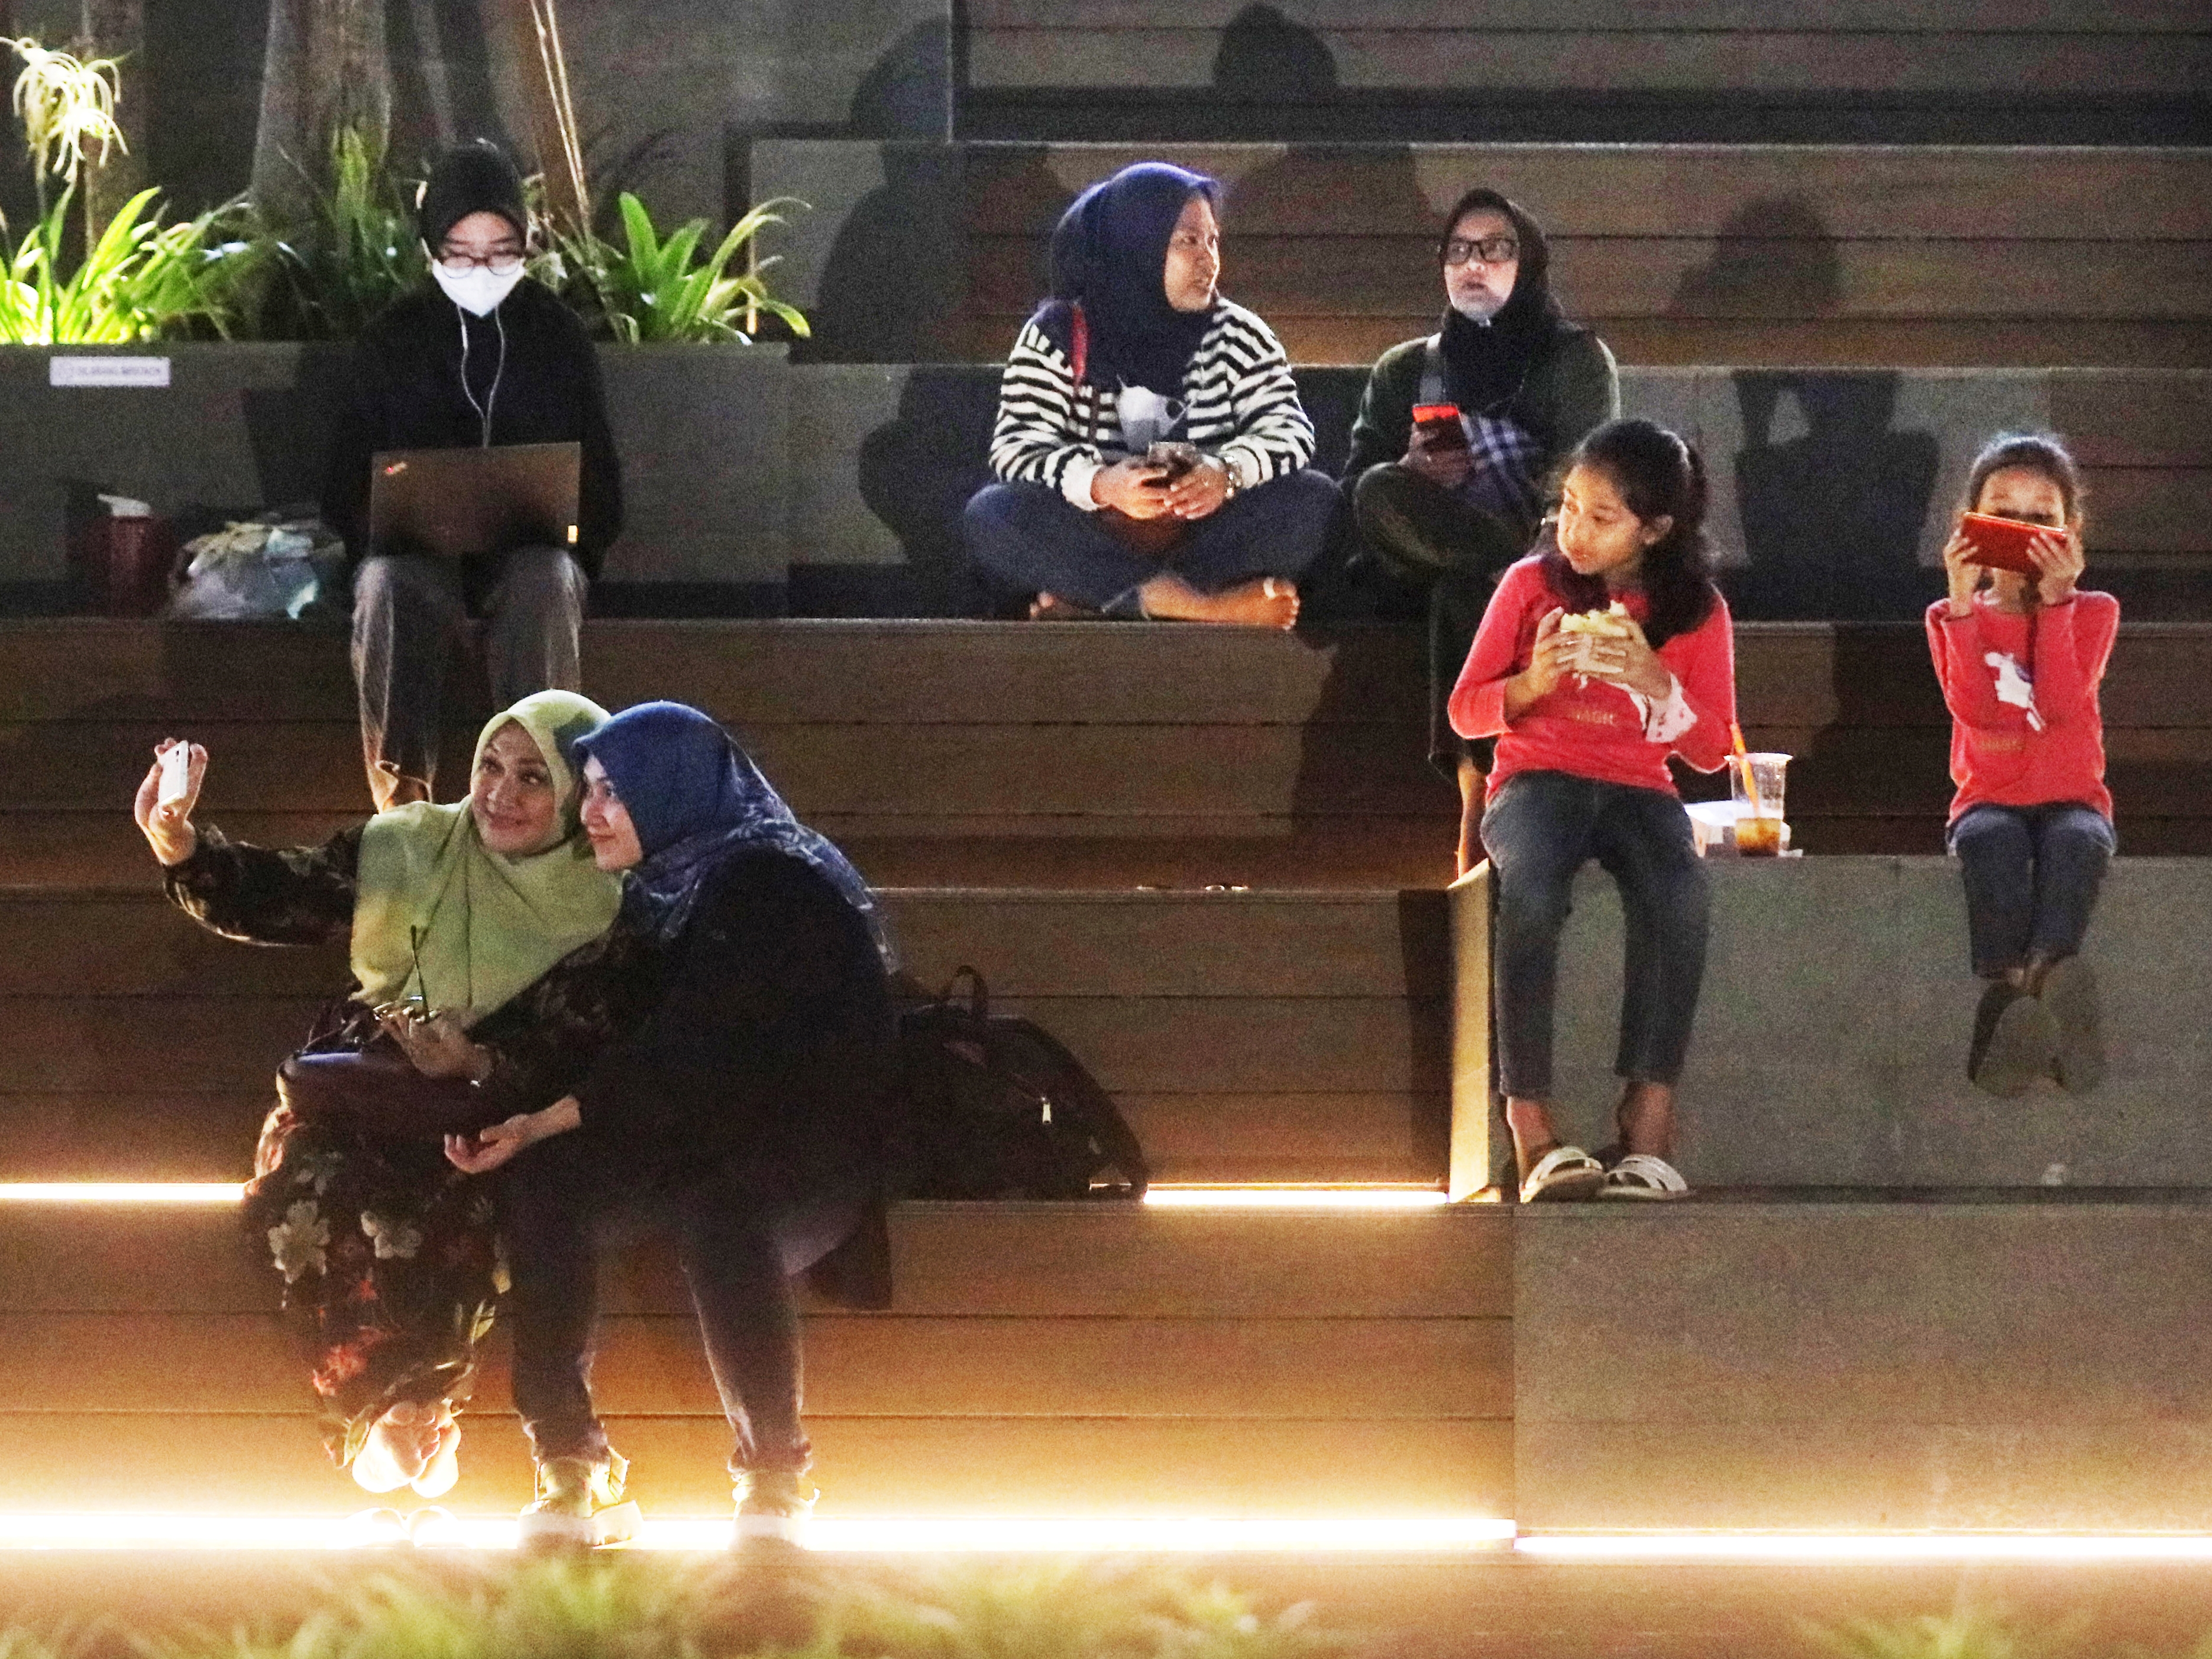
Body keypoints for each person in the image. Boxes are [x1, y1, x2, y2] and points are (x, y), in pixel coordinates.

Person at [134, 691, 636, 1496]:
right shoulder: (410, 843)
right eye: (490, 768)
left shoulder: (602, 900)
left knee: (448, 1209)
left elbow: (586, 1046)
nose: (501, 795)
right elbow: (284, 892)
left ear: (580, 794)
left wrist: (475, 1060)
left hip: (489, 1114)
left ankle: (402, 1419)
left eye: (535, 777)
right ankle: (401, 1416)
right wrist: (179, 839)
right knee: (299, 1194)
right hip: (356, 1093)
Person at [442, 702, 899, 1549]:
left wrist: (543, 1119)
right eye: (592, 790)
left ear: (674, 789)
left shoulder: (769, 880)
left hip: (807, 1151)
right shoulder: (667, 887)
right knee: (550, 1188)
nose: (591, 812)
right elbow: (633, 1053)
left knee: (726, 1215)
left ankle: (775, 1473)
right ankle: (571, 1462)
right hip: (689, 1136)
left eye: (614, 792)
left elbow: (694, 1053)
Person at [1447, 419, 1734, 1203]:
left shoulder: (1695, 609)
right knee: (1532, 890)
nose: (1575, 530)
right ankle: (1530, 1123)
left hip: (1640, 786)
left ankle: (1649, 1118)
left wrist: (1656, 684)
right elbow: (1466, 711)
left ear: (1657, 528)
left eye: (1602, 518)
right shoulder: (1530, 585)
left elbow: (1712, 748)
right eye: (1570, 507)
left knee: (1680, 894)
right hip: (1537, 779)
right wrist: (1530, 687)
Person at [323, 139, 623, 811]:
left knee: (546, 579)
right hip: (416, 563)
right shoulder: (391, 340)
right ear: (430, 249)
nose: (480, 270)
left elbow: (601, 482)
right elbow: (343, 482)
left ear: (527, 245)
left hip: (527, 559)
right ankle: (402, 803)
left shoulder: (556, 335)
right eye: (460, 253)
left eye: (500, 252)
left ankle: (542, 788)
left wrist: (567, 529)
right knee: (384, 583)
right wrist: (390, 519)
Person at [1341, 188, 1619, 872]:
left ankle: (1474, 800)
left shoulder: (1573, 358)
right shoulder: (1406, 368)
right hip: (1423, 549)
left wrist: (1531, 558)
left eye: (1496, 249)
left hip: (1541, 557)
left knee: (1466, 593)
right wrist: (1411, 470)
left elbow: (1581, 477)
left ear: (1527, 264)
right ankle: (1503, 579)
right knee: (1382, 490)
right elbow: (1355, 490)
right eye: (1459, 251)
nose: (1475, 265)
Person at [963, 161, 1338, 629]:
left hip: (1200, 533)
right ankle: (1197, 607)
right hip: (1098, 531)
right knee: (994, 514)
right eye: (1187, 241)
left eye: (1213, 241)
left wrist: (1226, 473)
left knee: (1314, 502)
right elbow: (1016, 448)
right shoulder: (1059, 332)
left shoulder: (1238, 332)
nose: (1209, 261)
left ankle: (1107, 602)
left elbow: (1290, 432)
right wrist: (1101, 484)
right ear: (1135, 245)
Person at [1928, 434, 2116, 1097]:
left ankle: (2024, 997)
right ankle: (2028, 999)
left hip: (2072, 796)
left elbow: (2061, 705)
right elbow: (1978, 711)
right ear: (1968, 526)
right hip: (1987, 799)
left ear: (2070, 532)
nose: (2022, 531)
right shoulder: (1947, 618)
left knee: (2077, 840)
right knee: (1988, 840)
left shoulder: (2093, 612)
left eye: (2041, 518)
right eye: (2002, 514)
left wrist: (2060, 602)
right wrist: (1960, 605)